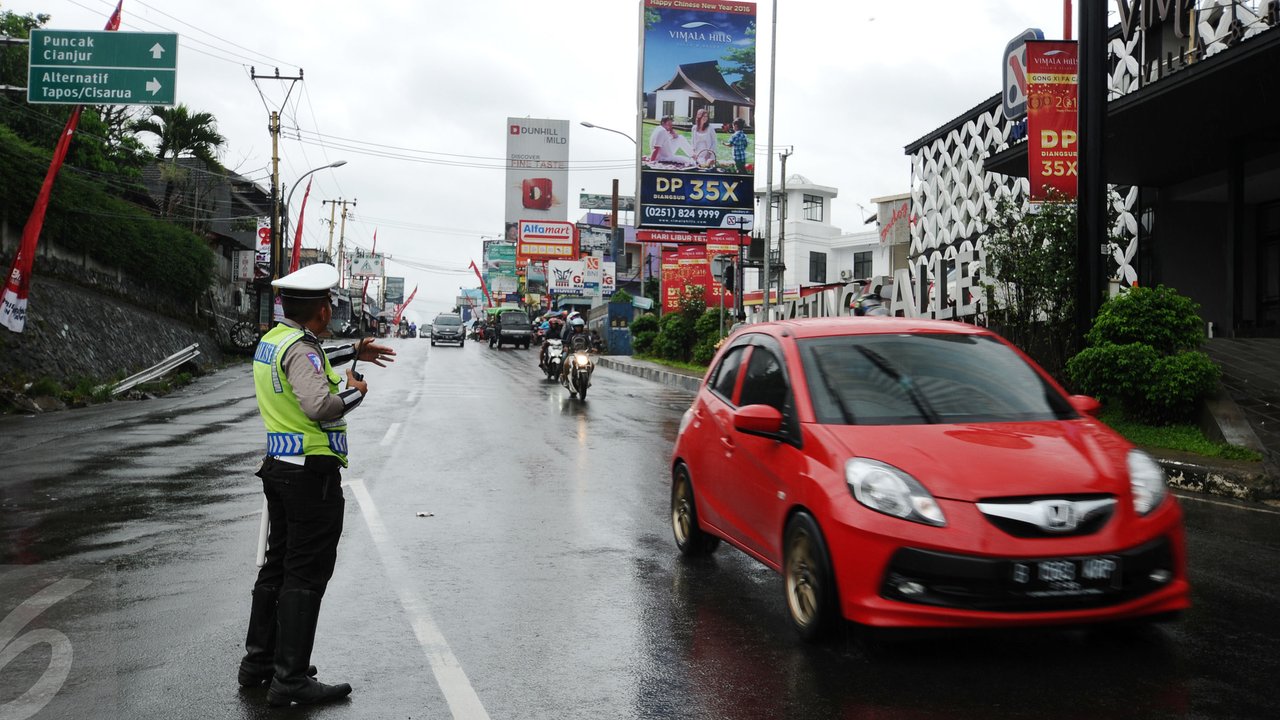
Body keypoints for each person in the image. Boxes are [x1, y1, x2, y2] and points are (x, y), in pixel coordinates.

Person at [239, 263, 396, 707]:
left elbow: (308, 360)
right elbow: (319, 405)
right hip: (310, 475)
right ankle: (290, 680)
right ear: (323, 310)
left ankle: (260, 663)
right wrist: (356, 391)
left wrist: (354, 350)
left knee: (277, 565)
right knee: (305, 572)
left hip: (280, 467)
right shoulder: (302, 350)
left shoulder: (274, 340)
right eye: (327, 302)